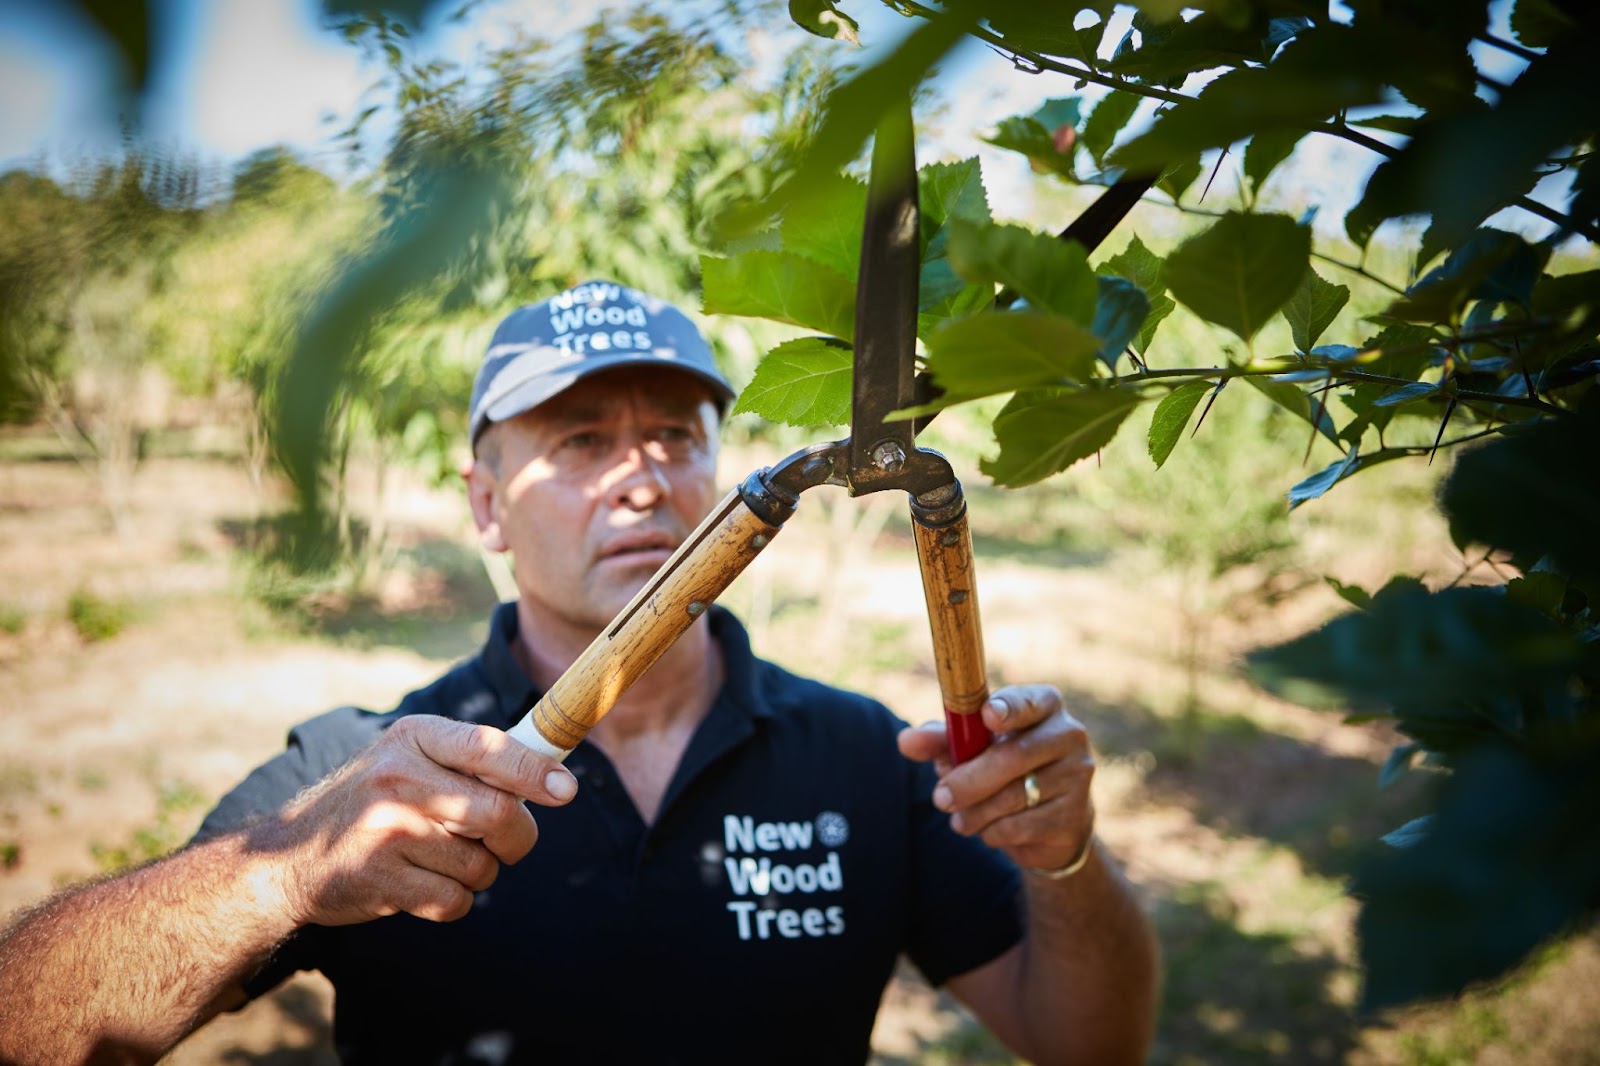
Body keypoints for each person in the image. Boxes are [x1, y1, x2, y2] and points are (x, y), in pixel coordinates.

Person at [0, 280, 1158, 1065]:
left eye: (675, 435)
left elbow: (1087, 1045)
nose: (642, 478)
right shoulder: (361, 769)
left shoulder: (870, 753)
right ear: (485, 503)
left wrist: (1062, 856)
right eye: (580, 440)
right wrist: (284, 875)